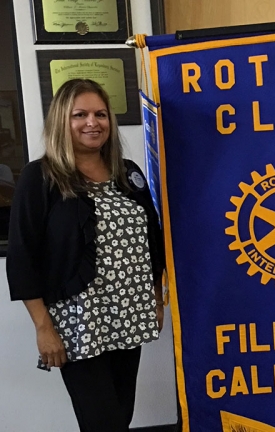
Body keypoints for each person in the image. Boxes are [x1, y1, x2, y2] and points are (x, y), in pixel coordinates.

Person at [7, 79, 165, 432]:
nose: (92, 123)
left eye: (100, 114)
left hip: (130, 316)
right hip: (79, 324)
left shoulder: (129, 172)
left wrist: (156, 300)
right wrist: (43, 328)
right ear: (62, 121)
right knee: (102, 423)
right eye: (80, 115)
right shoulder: (41, 177)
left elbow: (153, 241)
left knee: (121, 417)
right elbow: (22, 257)